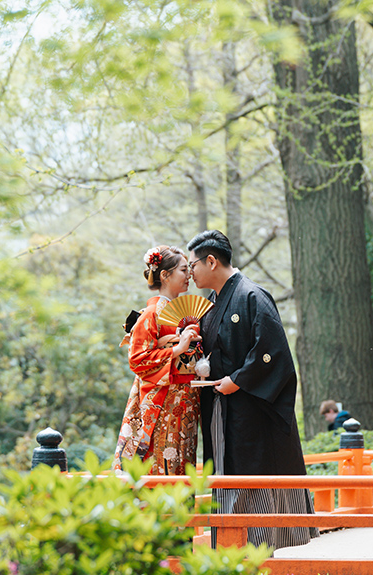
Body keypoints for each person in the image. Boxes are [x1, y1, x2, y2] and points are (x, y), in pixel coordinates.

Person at [186, 229, 315, 549]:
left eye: (192, 266)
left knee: (252, 475)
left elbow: (273, 353)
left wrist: (239, 379)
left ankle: (258, 555)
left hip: (252, 411)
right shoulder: (211, 304)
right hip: (224, 409)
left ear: (211, 261)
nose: (191, 273)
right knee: (227, 474)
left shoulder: (252, 296)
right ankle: (231, 548)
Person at [111, 245, 201, 475]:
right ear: (165, 275)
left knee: (183, 459)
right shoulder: (150, 314)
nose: (189, 275)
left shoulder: (180, 313)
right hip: (163, 402)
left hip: (186, 402)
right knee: (160, 460)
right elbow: (138, 359)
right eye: (183, 270)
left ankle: (181, 512)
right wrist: (176, 349)